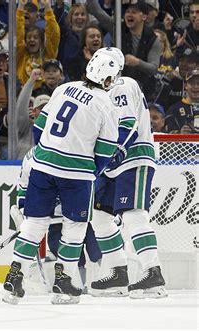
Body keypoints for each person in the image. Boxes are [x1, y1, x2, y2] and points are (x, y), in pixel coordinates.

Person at [3, 52, 121, 305]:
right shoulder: (105, 104)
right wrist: (90, 172)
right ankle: (64, 283)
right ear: (110, 78)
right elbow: (106, 149)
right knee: (75, 227)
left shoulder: (64, 89)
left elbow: (38, 128)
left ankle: (15, 275)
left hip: (42, 166)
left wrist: (50, 153)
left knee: (34, 224)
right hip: (76, 174)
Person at [89, 47, 167, 299]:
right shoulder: (100, 92)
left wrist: (115, 152)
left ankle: (152, 273)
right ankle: (118, 272)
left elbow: (128, 123)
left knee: (134, 214)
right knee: (99, 215)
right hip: (113, 164)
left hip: (133, 157)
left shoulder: (122, 84)